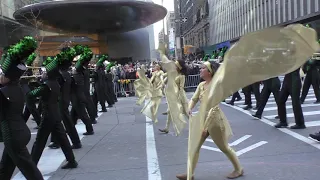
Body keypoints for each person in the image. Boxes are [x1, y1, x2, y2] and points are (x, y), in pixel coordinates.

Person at [176, 61, 243, 180]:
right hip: (203, 118)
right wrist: (189, 108)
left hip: (215, 120)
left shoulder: (216, 86)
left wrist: (205, 127)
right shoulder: (201, 85)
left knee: (224, 147)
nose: (200, 70)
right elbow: (194, 99)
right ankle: (190, 173)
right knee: (194, 147)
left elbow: (214, 108)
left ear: (209, 72)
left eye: (203, 68)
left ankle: (239, 169)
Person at [0, 36, 43, 180]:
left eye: (2, 75)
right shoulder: (18, 88)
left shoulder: (4, 92)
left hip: (13, 137)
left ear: (7, 77)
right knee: (5, 169)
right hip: (19, 133)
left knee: (30, 171)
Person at [29, 52, 78, 169]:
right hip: (55, 114)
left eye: (45, 72)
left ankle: (31, 165)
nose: (43, 73)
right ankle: (72, 160)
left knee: (39, 142)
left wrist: (29, 87)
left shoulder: (46, 86)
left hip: (48, 116)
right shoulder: (55, 83)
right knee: (63, 139)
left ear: (49, 74)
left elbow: (30, 95)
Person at [159, 60, 188, 133]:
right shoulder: (172, 73)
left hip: (180, 96)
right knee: (169, 111)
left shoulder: (182, 76)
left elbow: (181, 88)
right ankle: (166, 128)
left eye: (175, 65)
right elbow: (162, 75)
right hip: (173, 95)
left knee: (186, 112)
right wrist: (163, 82)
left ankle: (195, 124)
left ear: (179, 67)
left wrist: (179, 97)